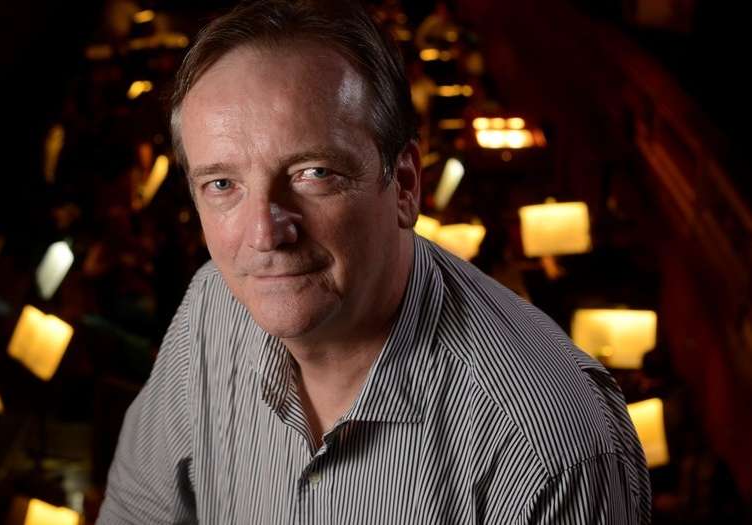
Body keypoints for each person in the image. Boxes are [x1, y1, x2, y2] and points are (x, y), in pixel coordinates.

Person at [98, 1, 651, 523]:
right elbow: (136, 510)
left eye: (314, 174)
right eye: (222, 184)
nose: (265, 235)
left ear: (405, 184)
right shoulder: (211, 306)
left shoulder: (552, 448)